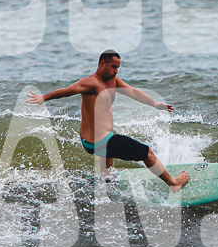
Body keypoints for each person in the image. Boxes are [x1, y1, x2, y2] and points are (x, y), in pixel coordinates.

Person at [26, 50, 189, 191]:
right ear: (102, 63)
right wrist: (44, 97)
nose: (116, 71)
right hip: (97, 142)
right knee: (146, 152)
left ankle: (106, 179)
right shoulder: (90, 82)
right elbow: (67, 91)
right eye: (113, 67)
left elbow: (133, 92)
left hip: (101, 139)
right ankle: (173, 183)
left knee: (112, 137)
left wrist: (155, 104)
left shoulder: (113, 81)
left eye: (118, 67)